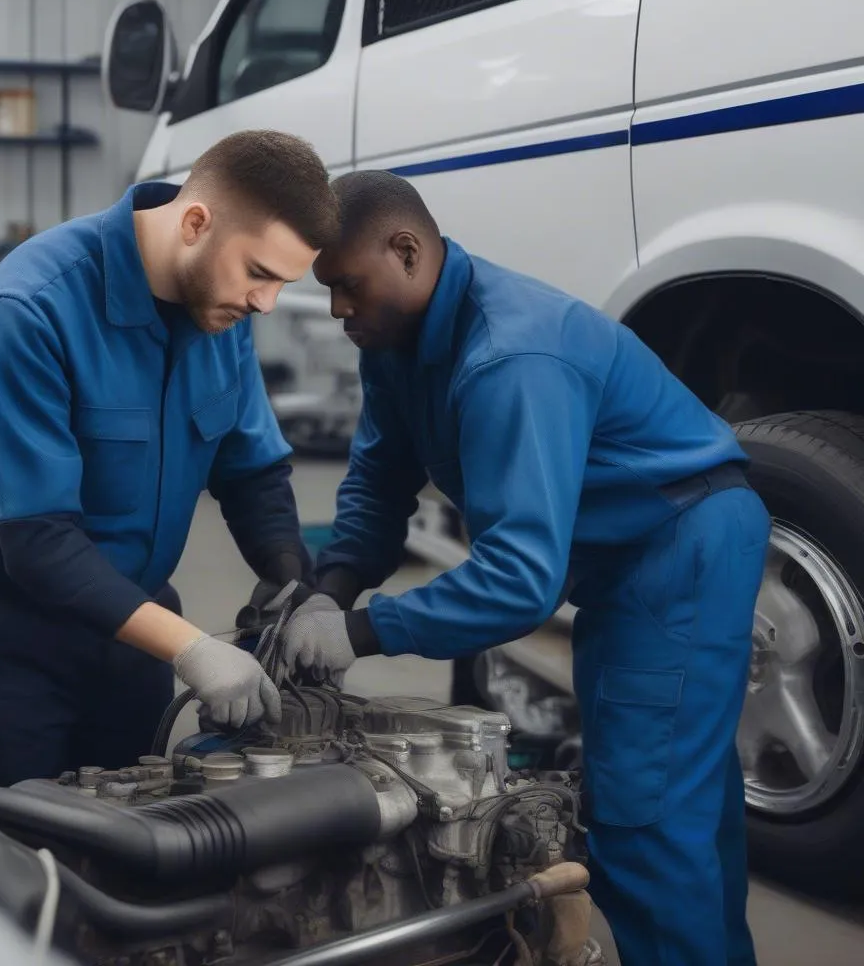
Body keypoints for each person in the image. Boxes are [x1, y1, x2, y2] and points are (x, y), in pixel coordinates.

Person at [283, 171, 769, 966]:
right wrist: (324, 594)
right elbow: (376, 487)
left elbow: (518, 581)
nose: (336, 308)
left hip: (681, 543)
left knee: (645, 822)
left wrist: (361, 632)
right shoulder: (395, 346)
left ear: (406, 251)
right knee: (683, 801)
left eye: (345, 285)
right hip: (630, 555)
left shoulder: (508, 354)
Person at [0, 130, 340, 792]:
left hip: (131, 638)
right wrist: (191, 648)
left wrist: (291, 586)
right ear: (195, 223)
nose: (265, 304)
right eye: (259, 274)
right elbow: (38, 540)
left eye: (282, 283)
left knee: (132, 858)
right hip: (1, 640)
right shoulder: (28, 307)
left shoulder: (222, 313)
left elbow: (252, 471)